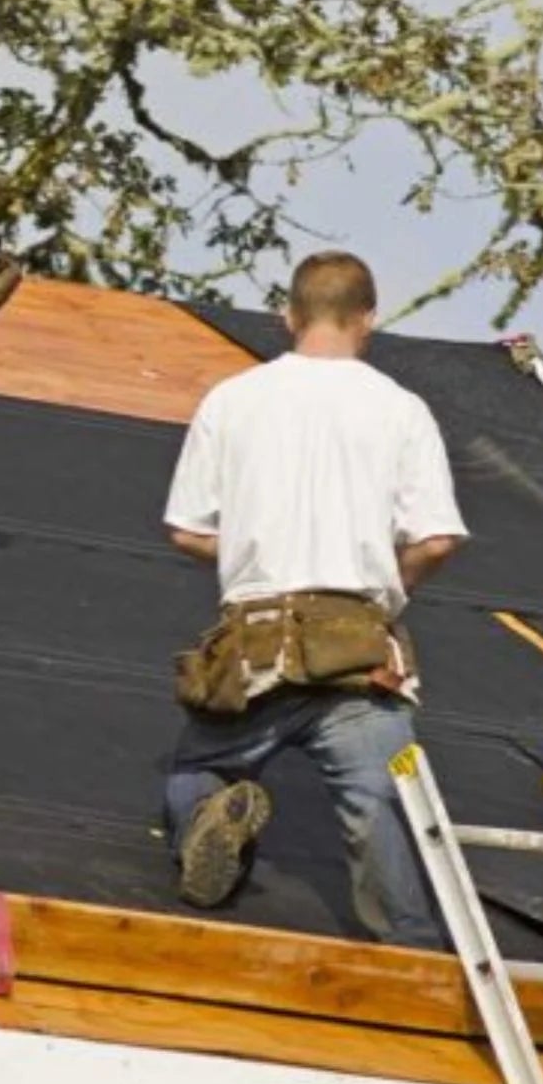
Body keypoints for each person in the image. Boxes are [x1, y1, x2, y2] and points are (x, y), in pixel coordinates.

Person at [160, 251, 467, 944]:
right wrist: (391, 591)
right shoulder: (400, 409)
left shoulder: (234, 400)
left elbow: (186, 530)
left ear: (288, 316)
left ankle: (209, 813)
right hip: (356, 638)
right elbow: (437, 539)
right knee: (380, 802)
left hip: (255, 635)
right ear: (369, 320)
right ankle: (409, 949)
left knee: (198, 766)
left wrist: (248, 552)